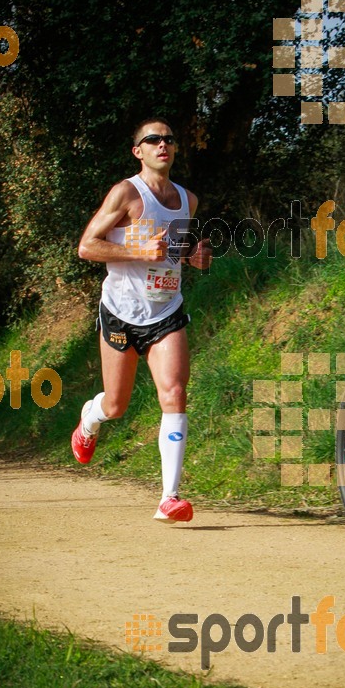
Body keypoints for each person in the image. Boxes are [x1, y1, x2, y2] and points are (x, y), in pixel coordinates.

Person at [71, 117, 212, 523]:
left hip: (165, 311)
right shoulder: (126, 194)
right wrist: (137, 253)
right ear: (139, 151)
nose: (162, 144)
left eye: (169, 138)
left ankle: (170, 496)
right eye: (153, 140)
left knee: (174, 393)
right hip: (120, 311)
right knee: (116, 406)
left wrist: (193, 257)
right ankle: (89, 420)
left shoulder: (188, 200)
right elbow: (86, 247)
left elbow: (174, 250)